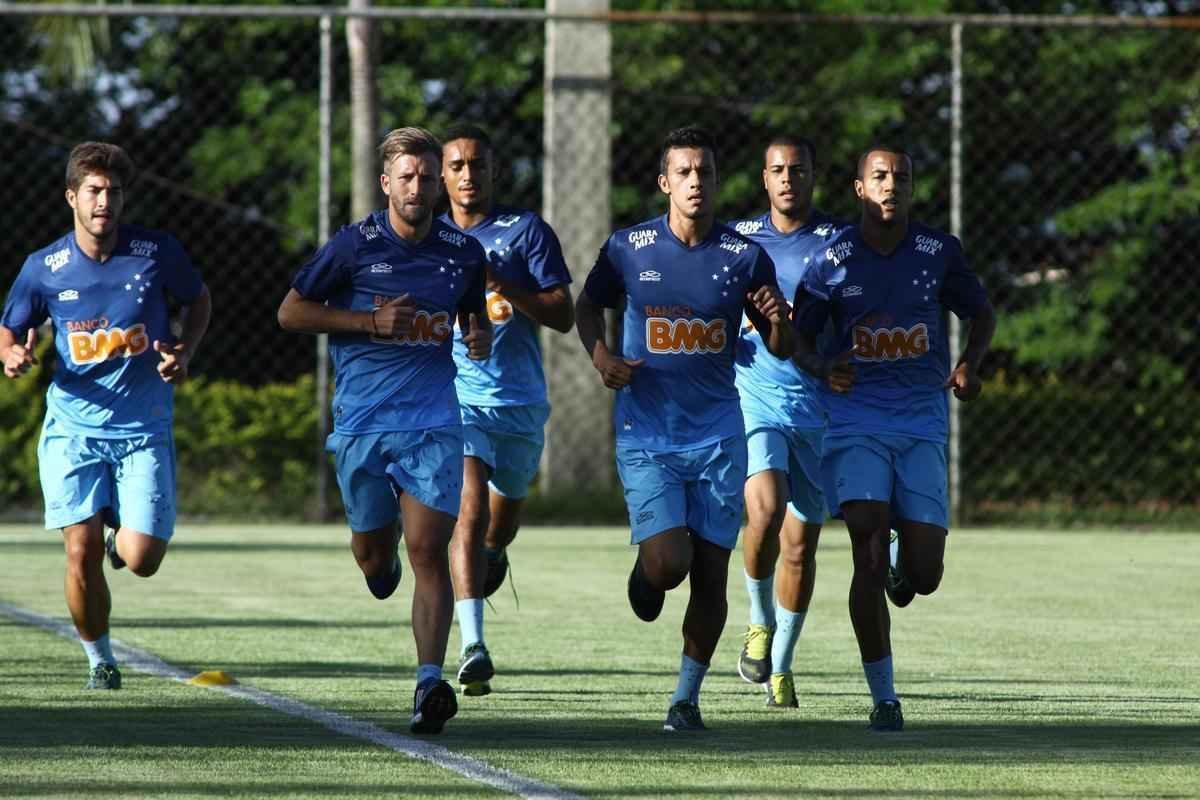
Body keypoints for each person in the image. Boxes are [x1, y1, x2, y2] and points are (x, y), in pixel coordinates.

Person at [575, 125, 792, 732]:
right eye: (685, 172)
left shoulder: (745, 256)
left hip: (720, 435)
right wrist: (601, 358)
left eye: (706, 172)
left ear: (717, 182)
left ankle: (685, 699)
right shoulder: (629, 247)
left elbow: (782, 344)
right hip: (648, 434)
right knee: (669, 564)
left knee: (710, 571)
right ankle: (647, 572)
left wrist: (776, 321)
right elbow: (586, 307)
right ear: (665, 181)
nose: (696, 182)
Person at [277, 127, 491, 735]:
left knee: (430, 552)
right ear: (386, 184)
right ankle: (379, 565)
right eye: (407, 177)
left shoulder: (463, 251)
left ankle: (429, 684)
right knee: (375, 558)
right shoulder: (353, 246)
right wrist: (367, 320)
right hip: (363, 425)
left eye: (428, 176)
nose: (418, 187)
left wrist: (479, 334)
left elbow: (473, 316)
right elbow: (290, 312)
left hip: (433, 423)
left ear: (439, 181)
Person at [790, 145, 996, 731]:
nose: (890, 185)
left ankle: (911, 567)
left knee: (923, 575)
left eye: (901, 177)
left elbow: (981, 314)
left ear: (911, 188)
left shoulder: (939, 253)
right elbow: (800, 341)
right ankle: (884, 697)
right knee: (868, 553)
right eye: (879, 176)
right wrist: (820, 365)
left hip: (922, 421)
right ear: (859, 188)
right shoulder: (831, 259)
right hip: (855, 421)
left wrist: (969, 366)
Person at [0, 141, 212, 690]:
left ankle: (124, 537)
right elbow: (11, 324)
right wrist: (12, 353)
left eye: (114, 192)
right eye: (93, 190)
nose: (104, 201)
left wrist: (184, 350)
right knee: (80, 549)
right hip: (73, 429)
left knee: (141, 558)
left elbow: (199, 298)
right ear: (72, 196)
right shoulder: (43, 268)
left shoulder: (156, 252)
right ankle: (100, 658)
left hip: (142, 429)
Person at [439, 124, 574, 697]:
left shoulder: (526, 232)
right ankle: (473, 644)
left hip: (519, 403)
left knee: (499, 524)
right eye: (457, 165)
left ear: (494, 171)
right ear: (442, 175)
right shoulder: (426, 237)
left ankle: (493, 554)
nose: (468, 175)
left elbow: (563, 313)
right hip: (456, 402)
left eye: (478, 164)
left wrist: (506, 285)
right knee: (467, 514)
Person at [730, 136, 847, 709]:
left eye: (796, 169)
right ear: (764, 177)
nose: (786, 179)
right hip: (756, 400)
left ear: (812, 176)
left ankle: (781, 665)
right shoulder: (739, 242)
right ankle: (756, 620)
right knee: (765, 508)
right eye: (776, 169)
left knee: (800, 547)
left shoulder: (840, 242)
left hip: (820, 410)